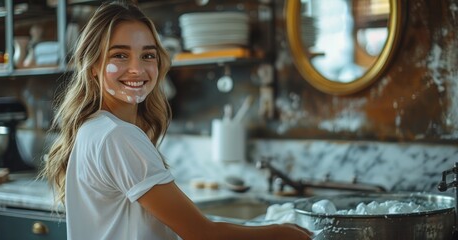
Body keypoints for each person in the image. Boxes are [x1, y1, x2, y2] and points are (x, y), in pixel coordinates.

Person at [41, 1, 311, 240]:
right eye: (120, 55)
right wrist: (281, 232)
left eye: (148, 55)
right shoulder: (118, 135)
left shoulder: (94, 128)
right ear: (93, 67)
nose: (137, 68)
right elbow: (202, 234)